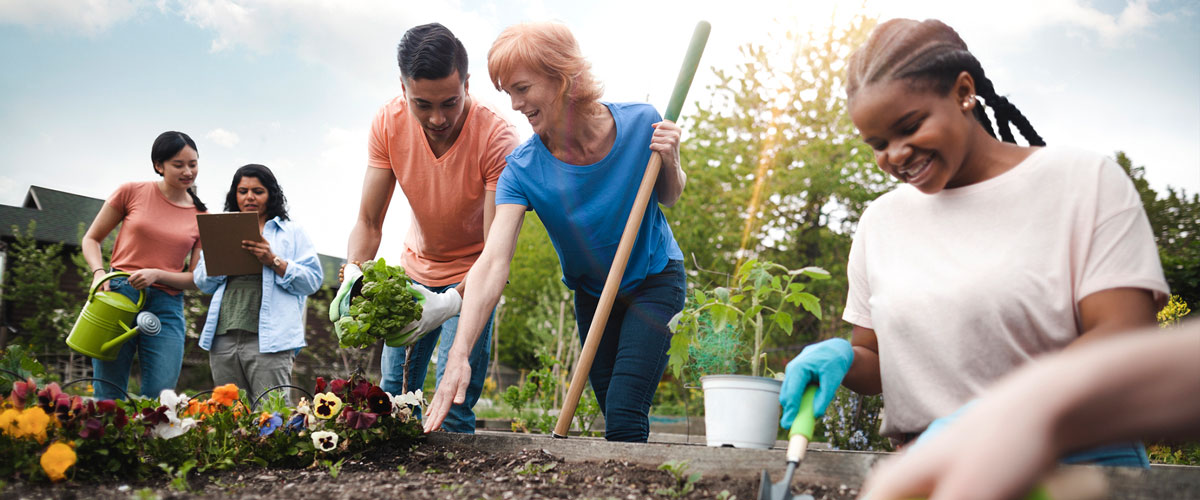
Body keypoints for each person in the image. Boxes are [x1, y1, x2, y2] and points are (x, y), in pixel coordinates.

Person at [778, 18, 1169, 465]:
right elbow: (879, 359)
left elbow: (1123, 336)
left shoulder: (1083, 182)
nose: (895, 155)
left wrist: (995, 418)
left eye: (910, 126)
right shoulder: (881, 221)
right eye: (878, 143)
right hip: (931, 473)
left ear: (964, 92)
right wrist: (845, 357)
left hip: (1072, 466)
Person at [424, 22, 687, 443]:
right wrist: (458, 353)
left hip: (655, 278)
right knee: (610, 404)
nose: (514, 104)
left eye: (522, 88)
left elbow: (669, 196)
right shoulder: (522, 170)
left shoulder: (643, 123)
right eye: (507, 92)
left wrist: (670, 159)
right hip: (593, 294)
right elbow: (492, 262)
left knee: (623, 409)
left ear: (564, 77)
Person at [332, 22, 520, 433]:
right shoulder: (388, 122)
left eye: (450, 103)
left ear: (467, 84)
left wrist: (452, 300)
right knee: (393, 399)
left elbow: (494, 252)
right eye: (422, 104)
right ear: (403, 89)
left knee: (452, 400)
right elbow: (368, 221)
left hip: (473, 278)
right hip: (414, 274)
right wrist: (353, 273)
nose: (437, 118)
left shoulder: (496, 137)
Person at [859, 321, 1200, 500]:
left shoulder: (1087, 192)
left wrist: (1043, 400)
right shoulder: (878, 224)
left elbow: (1128, 330)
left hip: (1071, 456)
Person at [81, 131, 208, 400]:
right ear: (158, 165)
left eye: (193, 164)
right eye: (178, 164)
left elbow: (195, 279)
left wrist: (158, 274)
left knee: (161, 396)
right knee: (108, 390)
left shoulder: (202, 217)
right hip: (118, 294)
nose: (188, 171)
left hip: (167, 305)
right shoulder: (131, 192)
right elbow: (91, 239)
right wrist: (98, 274)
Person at [193, 164, 323, 402]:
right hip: (223, 337)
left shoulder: (291, 232)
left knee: (270, 415)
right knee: (229, 414)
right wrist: (223, 260)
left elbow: (312, 281)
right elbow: (202, 282)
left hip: (271, 341)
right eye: (243, 191)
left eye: (258, 191)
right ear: (235, 195)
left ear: (271, 194)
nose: (249, 197)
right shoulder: (221, 230)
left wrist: (272, 260)